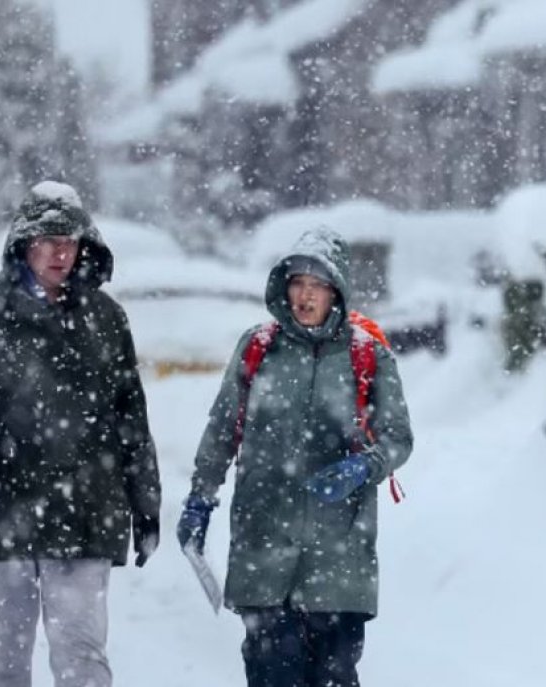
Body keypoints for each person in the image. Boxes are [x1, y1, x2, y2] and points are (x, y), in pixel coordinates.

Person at [0, 180, 161, 687]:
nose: (59, 251)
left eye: (69, 240)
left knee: (82, 660)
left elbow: (130, 417)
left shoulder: (105, 318)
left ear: (84, 246)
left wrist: (145, 501)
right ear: (22, 244)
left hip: (84, 510)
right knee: (3, 666)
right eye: (46, 239)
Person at [177, 227, 413, 686]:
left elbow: (399, 437)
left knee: (335, 676)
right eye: (297, 283)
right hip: (262, 553)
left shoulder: (367, 356)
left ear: (337, 292)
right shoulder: (258, 348)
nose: (305, 295)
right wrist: (200, 497)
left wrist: (364, 465)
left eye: (318, 285)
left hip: (340, 560)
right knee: (271, 673)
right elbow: (222, 429)